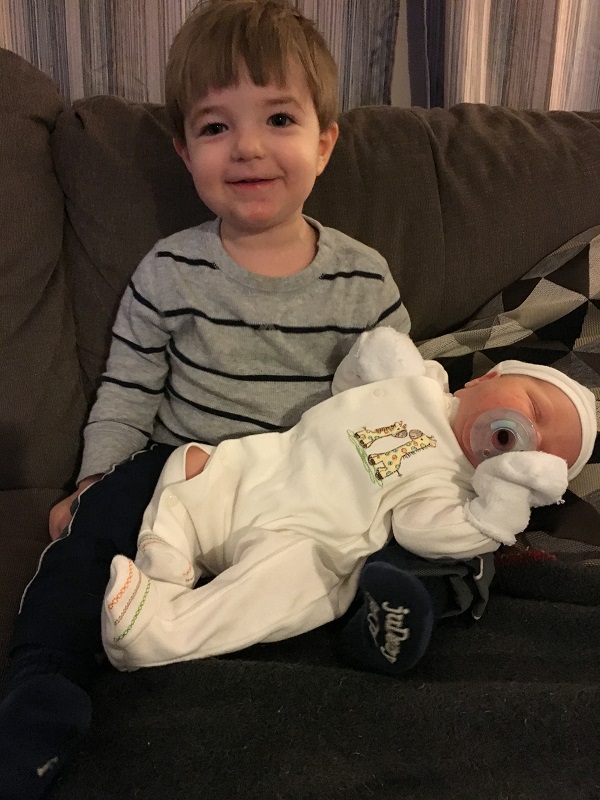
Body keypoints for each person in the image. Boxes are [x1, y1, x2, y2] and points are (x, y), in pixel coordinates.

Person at [0, 3, 410, 798]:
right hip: (177, 468)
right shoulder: (168, 270)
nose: (248, 146)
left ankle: (382, 624)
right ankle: (41, 690)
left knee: (356, 553)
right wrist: (95, 481)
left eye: (279, 119)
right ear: (186, 152)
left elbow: (392, 406)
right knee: (81, 549)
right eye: (217, 127)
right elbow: (128, 388)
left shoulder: (365, 278)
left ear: (324, 143)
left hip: (299, 481)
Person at [100, 328, 596, 675]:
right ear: (484, 380)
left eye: (540, 457)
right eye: (533, 409)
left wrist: (500, 502)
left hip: (306, 539)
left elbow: (422, 533)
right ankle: (165, 564)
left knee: (286, 583)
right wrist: (379, 354)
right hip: (260, 473)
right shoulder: (416, 386)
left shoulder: (456, 485)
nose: (528, 436)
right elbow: (350, 385)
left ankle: (157, 632)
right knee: (189, 462)